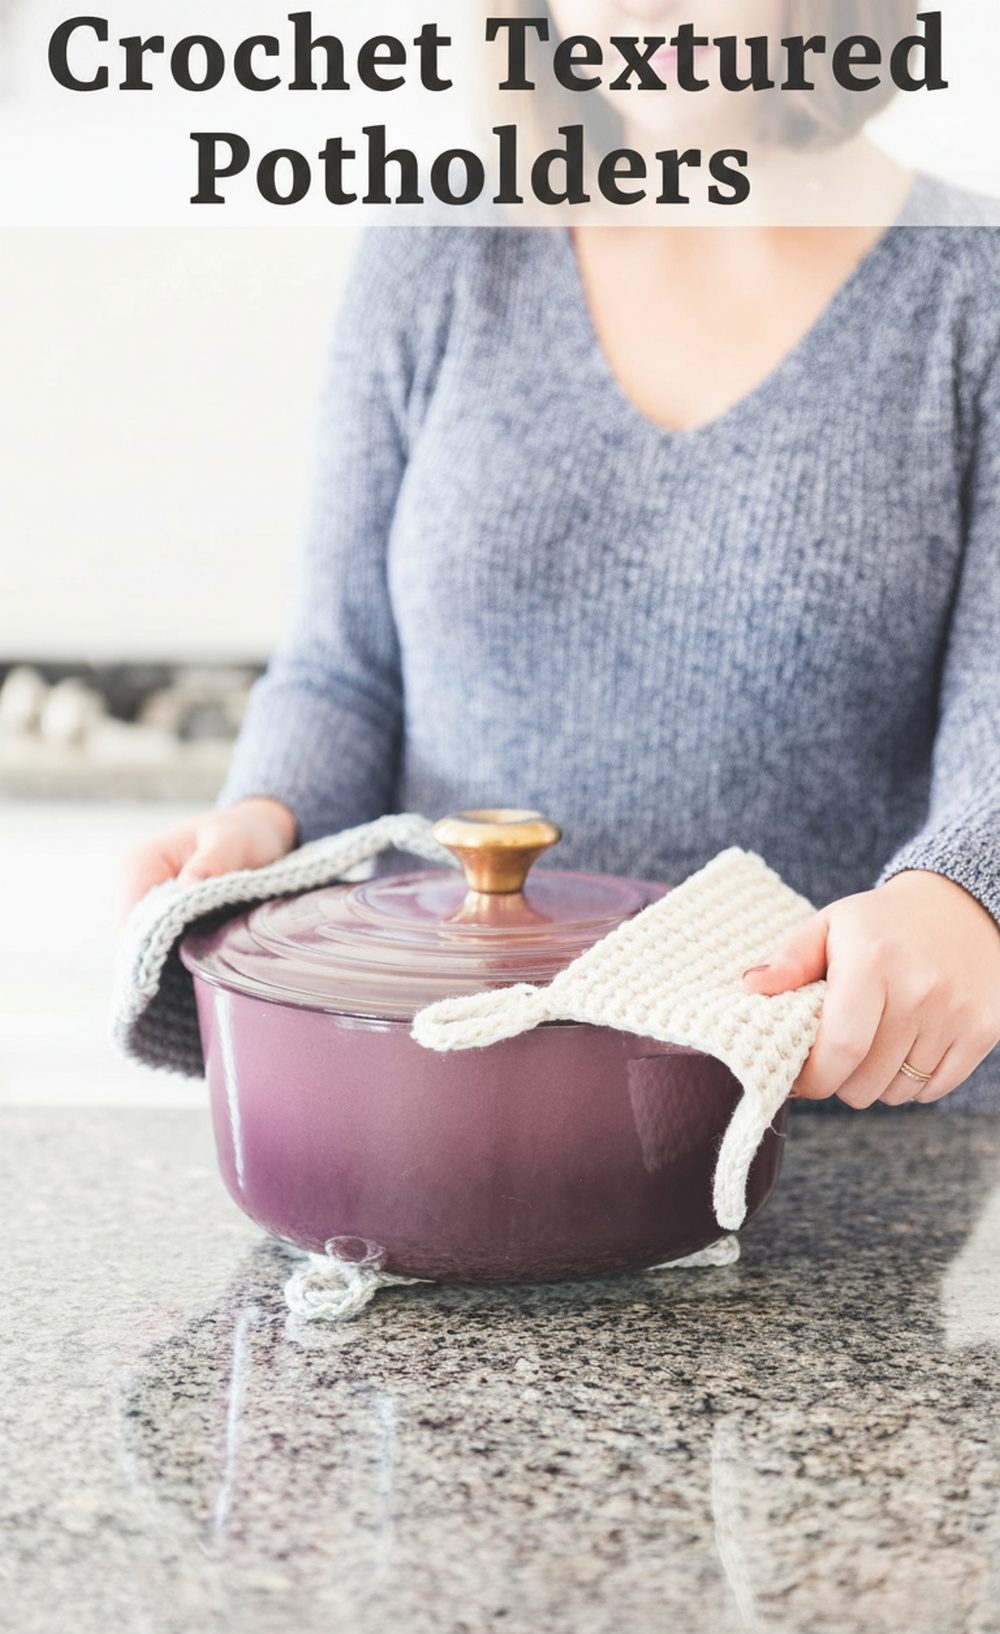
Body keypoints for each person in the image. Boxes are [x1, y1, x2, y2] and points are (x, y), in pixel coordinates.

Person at [121, 0, 1000, 1111]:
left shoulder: (974, 288)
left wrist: (964, 890)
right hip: (442, 1107)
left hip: (821, 1137)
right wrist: (266, 815)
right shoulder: (442, 253)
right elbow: (343, 672)